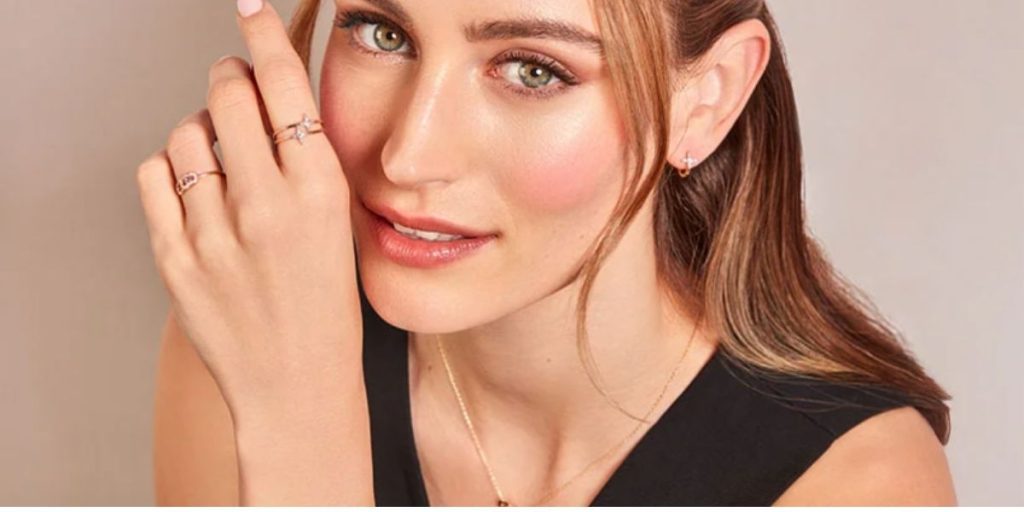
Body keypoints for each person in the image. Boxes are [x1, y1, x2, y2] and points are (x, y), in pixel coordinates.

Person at [140, 0, 957, 505]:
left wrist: (306, 439)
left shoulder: (855, 486)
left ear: (705, 101)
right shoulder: (260, 332)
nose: (408, 156)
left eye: (533, 70)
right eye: (382, 32)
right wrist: (292, 398)